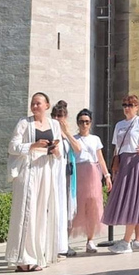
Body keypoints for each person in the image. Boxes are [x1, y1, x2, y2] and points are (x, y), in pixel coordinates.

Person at [6, 92, 63, 271]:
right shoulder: (24, 123)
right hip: (28, 170)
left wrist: (55, 151)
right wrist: (33, 145)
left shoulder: (54, 124)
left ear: (47, 105)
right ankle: (22, 259)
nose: (35, 106)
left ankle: (38, 256)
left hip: (46, 169)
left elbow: (60, 150)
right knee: (26, 212)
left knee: (40, 213)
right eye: (33, 103)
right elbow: (12, 147)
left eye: (38, 103)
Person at [102, 94, 139, 254]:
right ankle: (138, 240)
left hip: (137, 161)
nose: (127, 108)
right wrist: (114, 167)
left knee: (134, 198)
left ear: (137, 107)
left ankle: (126, 241)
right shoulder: (119, 125)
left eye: (130, 105)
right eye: (125, 105)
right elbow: (116, 148)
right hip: (123, 161)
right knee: (132, 198)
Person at [70, 109, 111, 253]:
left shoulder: (95, 139)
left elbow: (100, 159)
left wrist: (107, 175)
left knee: (93, 207)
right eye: (81, 122)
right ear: (77, 123)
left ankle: (90, 240)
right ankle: (66, 241)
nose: (84, 124)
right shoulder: (73, 139)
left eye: (87, 122)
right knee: (75, 207)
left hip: (93, 173)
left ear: (91, 123)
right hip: (78, 173)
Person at [50, 100, 80, 259]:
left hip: (67, 177)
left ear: (65, 117)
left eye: (60, 115)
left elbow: (78, 149)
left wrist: (67, 133)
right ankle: (51, 244)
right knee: (54, 209)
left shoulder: (67, 134)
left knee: (65, 210)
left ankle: (63, 243)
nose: (57, 118)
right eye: (54, 115)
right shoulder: (50, 131)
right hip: (54, 175)